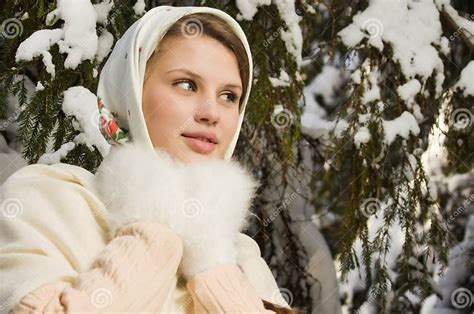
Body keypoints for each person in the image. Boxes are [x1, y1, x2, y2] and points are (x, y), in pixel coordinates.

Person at [0, 5, 299, 313]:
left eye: (229, 96)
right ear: (129, 93)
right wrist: (153, 228)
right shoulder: (49, 199)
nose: (211, 113)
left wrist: (213, 263)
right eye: (186, 84)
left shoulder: (242, 256)